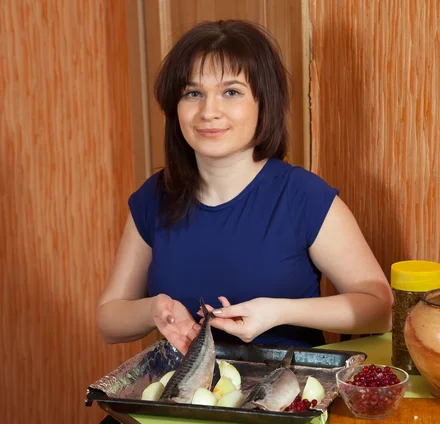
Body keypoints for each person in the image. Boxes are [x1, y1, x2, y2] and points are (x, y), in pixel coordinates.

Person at [96, 19, 392, 355]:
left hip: (287, 396)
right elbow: (109, 319)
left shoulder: (303, 197)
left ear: (263, 104)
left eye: (231, 92)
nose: (209, 111)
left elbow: (380, 309)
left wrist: (278, 311)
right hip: (186, 397)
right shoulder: (155, 197)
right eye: (193, 93)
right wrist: (153, 309)